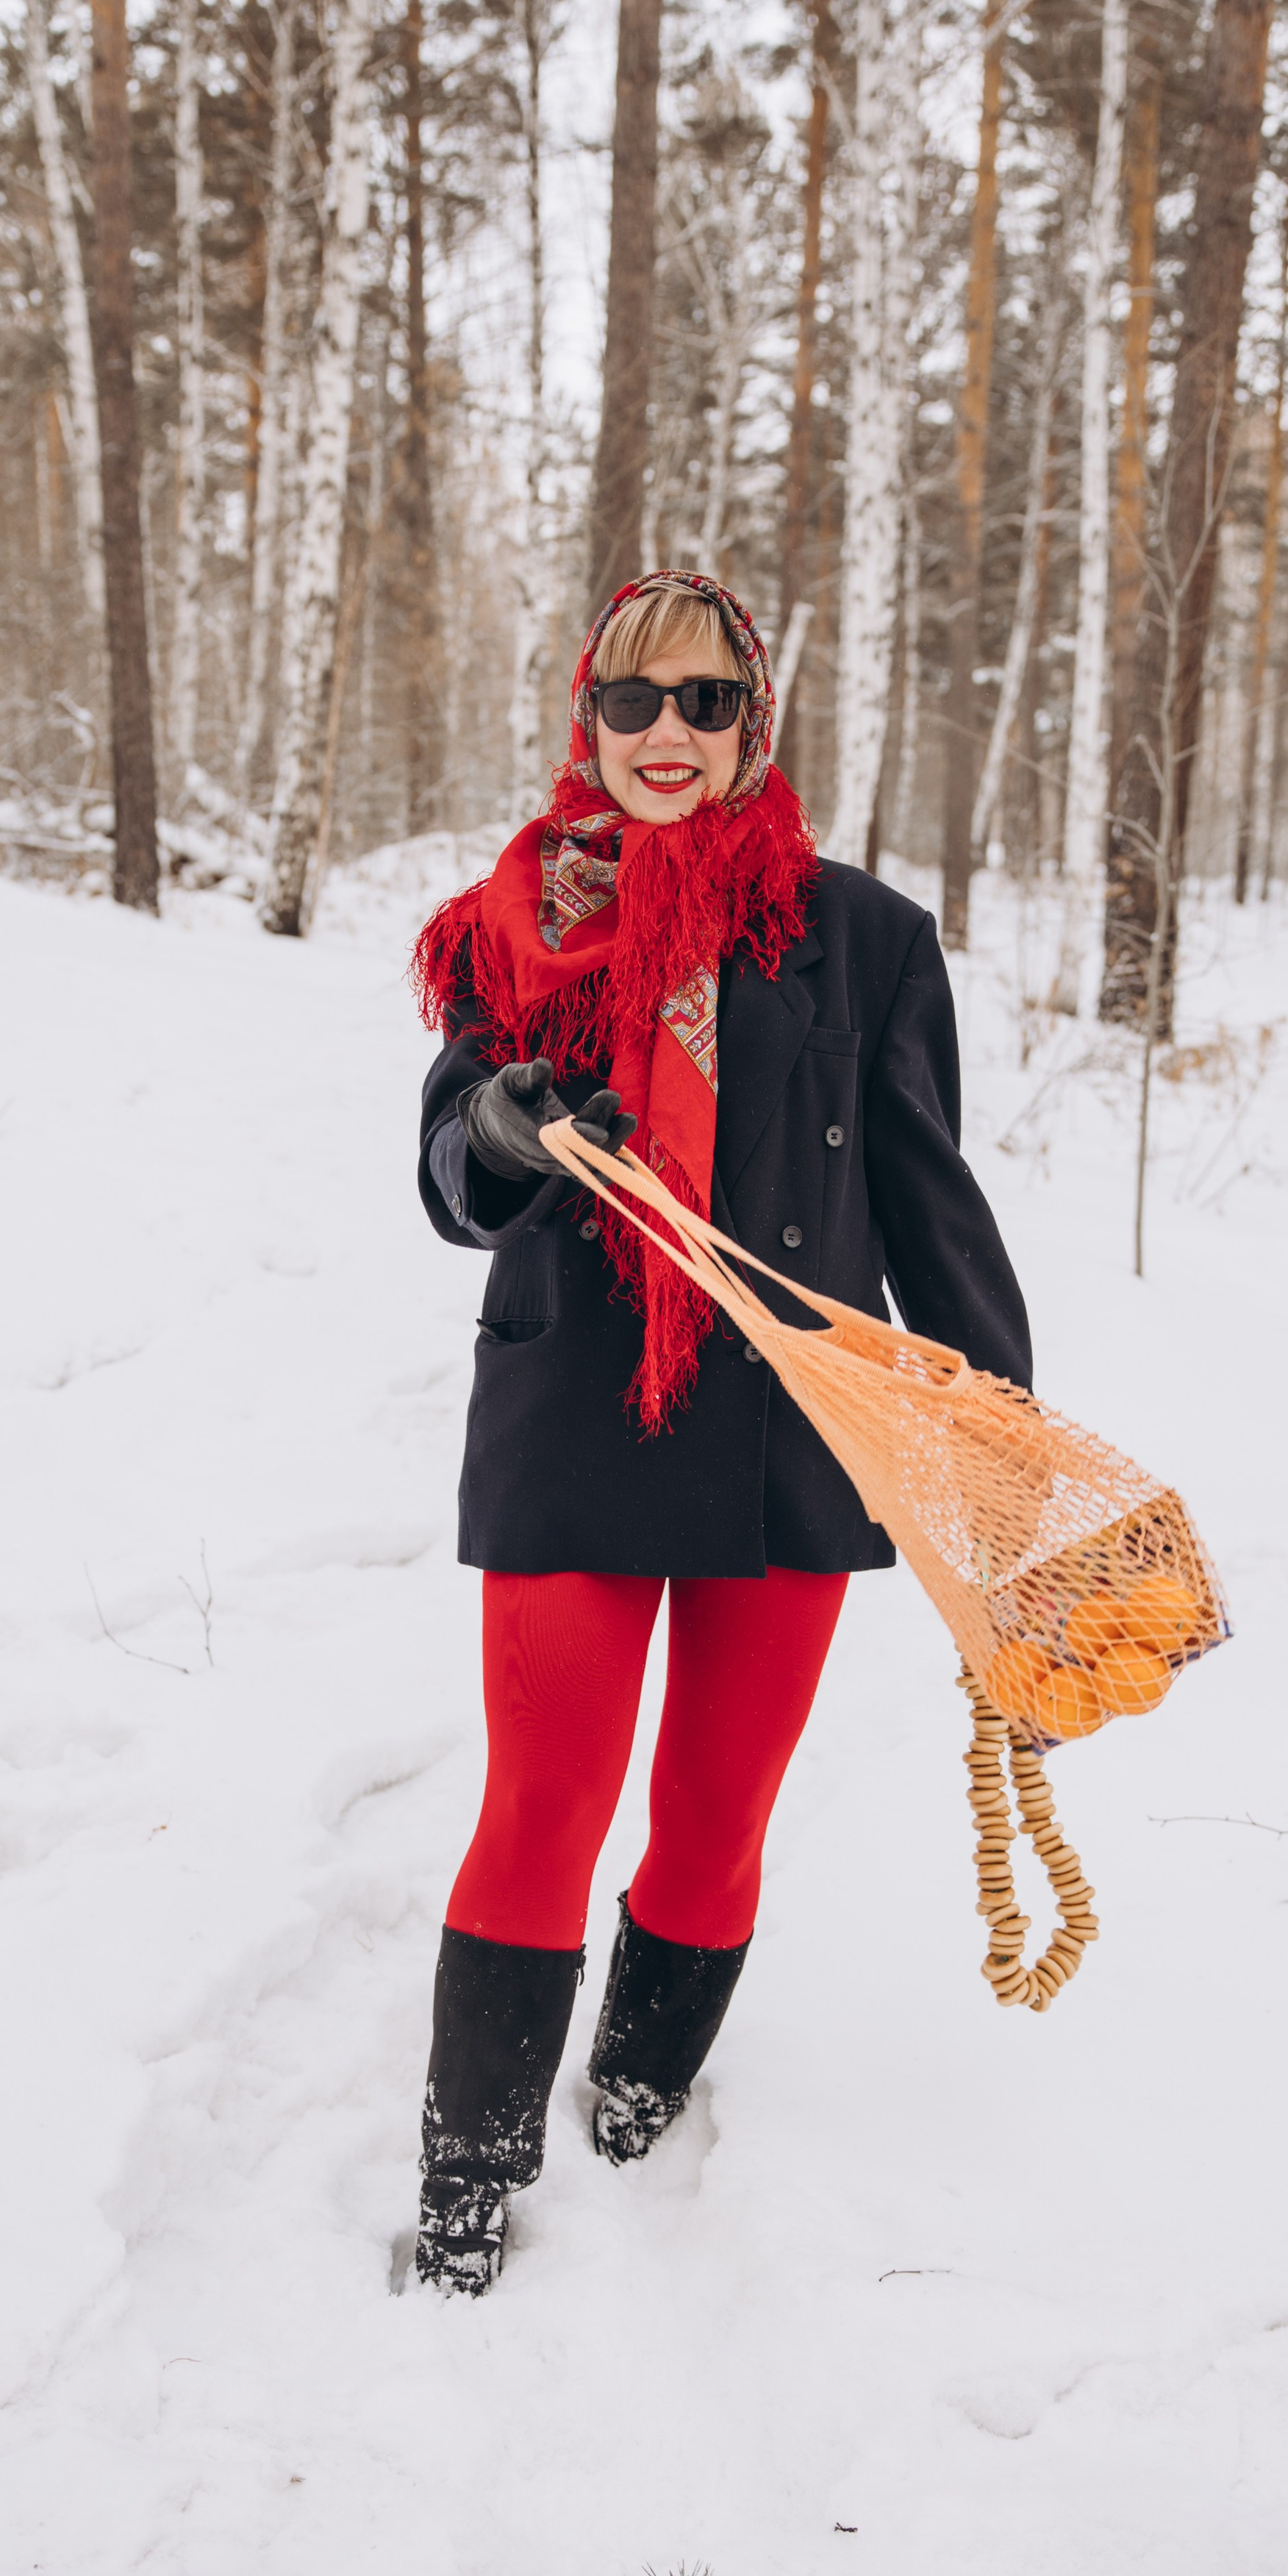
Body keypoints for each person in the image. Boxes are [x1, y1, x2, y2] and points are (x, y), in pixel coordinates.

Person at [409, 569, 1030, 2296]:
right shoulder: (510, 923)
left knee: (711, 1812)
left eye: (703, 702)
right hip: (571, 1416)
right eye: (633, 701)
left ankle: (638, 2079)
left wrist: (995, 1445)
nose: (665, 734)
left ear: (754, 722)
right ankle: (467, 2172)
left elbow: (926, 1204)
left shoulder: (864, 937)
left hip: (789, 1433)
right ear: (586, 722)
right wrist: (506, 1131)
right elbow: (446, 1164)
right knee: (540, 1803)